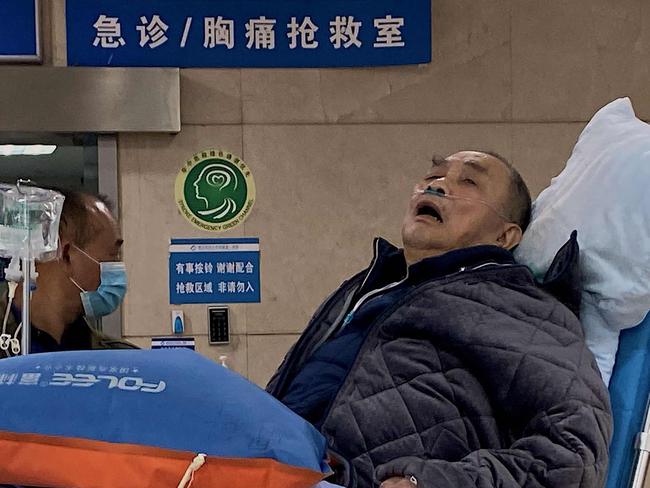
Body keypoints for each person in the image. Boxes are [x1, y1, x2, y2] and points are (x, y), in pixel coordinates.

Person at [267, 151, 612, 488]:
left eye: (470, 182)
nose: (438, 185)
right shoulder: (367, 287)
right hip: (273, 459)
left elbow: (575, 457)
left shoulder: (523, 309)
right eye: (434, 175)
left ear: (505, 236)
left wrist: (428, 481)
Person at [0, 189, 136, 357]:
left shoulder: (119, 360)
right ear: (66, 255)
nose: (118, 269)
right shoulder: (6, 345)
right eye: (113, 255)